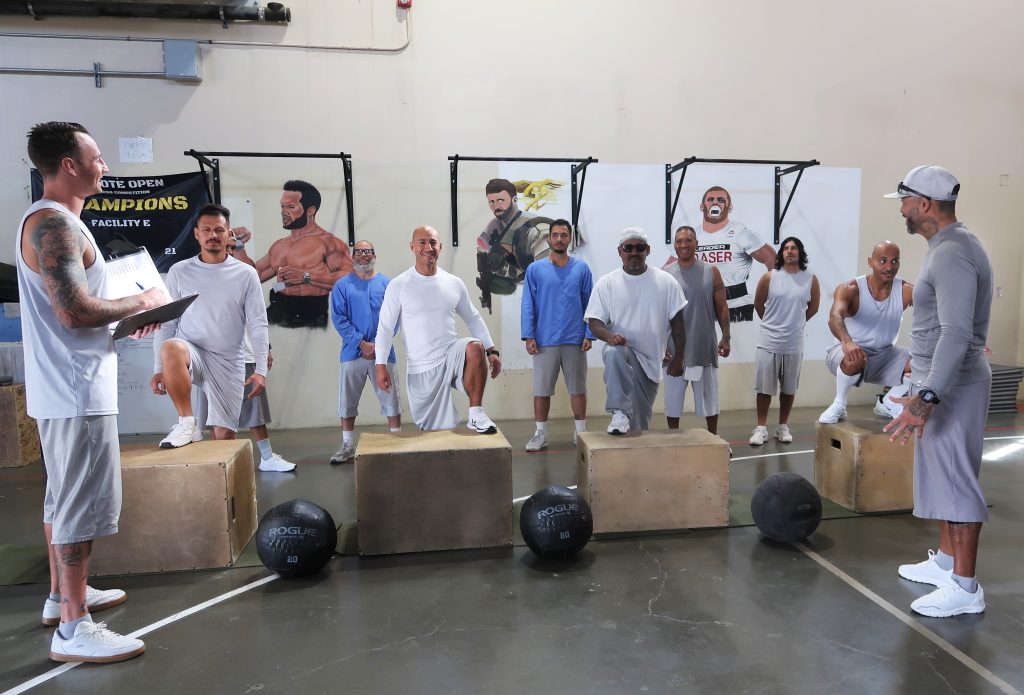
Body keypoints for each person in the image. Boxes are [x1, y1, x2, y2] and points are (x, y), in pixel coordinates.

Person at [17, 121, 167, 663]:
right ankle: (74, 629)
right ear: (70, 166)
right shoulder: (54, 225)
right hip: (76, 391)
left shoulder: (52, 222)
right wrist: (143, 301)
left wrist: (125, 320)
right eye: (97, 157)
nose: (105, 166)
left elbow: (79, 312)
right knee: (79, 503)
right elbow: (74, 311)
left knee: (62, 497)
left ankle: (62, 599)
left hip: (66, 385)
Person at [883, 165, 993, 618]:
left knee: (958, 483)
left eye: (906, 202)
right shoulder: (947, 246)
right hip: (942, 382)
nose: (903, 210)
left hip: (953, 387)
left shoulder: (951, 253)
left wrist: (926, 397)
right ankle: (948, 564)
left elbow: (956, 334)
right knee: (944, 480)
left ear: (925, 205)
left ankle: (965, 587)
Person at [150, 204, 270, 449]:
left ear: (228, 234)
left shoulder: (246, 274)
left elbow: (258, 323)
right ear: (196, 233)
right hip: (192, 351)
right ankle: (186, 422)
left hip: (228, 360)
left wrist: (260, 370)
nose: (213, 235)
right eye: (207, 230)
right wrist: (157, 367)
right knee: (172, 347)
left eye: (219, 230)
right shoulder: (179, 271)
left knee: (224, 438)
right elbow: (167, 322)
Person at [375, 225, 501, 432]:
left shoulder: (453, 283)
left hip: (451, 356)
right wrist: (381, 366)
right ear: (412, 247)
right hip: (422, 368)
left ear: (440, 247)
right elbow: (386, 328)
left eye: (433, 242)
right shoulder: (398, 285)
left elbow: (473, 317)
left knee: (474, 347)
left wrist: (492, 349)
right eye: (422, 242)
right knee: (438, 433)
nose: (428, 247)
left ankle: (476, 414)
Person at [191, 238, 296, 472]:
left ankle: (267, 457)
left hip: (245, 356)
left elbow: (259, 320)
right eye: (225, 247)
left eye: (231, 248)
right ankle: (218, 462)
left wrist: (265, 350)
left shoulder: (245, 277)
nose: (227, 252)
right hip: (212, 358)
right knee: (212, 415)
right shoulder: (201, 281)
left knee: (254, 410)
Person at [585, 228, 686, 434]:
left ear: (647, 250)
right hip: (623, 352)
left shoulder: (666, 282)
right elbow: (594, 321)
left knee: (639, 427)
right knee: (613, 352)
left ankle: (637, 461)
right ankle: (619, 412)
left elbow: (678, 326)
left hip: (651, 361)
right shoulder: (607, 283)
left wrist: (679, 358)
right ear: (620, 251)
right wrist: (609, 336)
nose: (634, 252)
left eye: (639, 247)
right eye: (628, 248)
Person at [231, 180, 352, 328]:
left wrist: (307, 277)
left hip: (311, 314)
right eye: (282, 206)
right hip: (278, 308)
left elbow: (349, 277)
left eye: (291, 206)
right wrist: (239, 245)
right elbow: (254, 275)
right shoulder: (280, 245)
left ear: (310, 210)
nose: (283, 211)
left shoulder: (328, 242)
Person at [818, 241, 913, 424]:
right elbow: (834, 316)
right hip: (847, 353)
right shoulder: (851, 288)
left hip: (886, 355)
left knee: (925, 361)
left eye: (895, 261)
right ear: (870, 262)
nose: (889, 267)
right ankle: (840, 403)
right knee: (855, 356)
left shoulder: (905, 290)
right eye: (883, 260)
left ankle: (889, 402)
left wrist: (963, 339)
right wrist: (846, 341)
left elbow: (936, 309)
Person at [520, 218, 594, 451]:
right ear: (549, 238)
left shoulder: (581, 268)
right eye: (555, 235)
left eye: (564, 235)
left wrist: (589, 334)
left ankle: (581, 433)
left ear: (570, 238)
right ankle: (540, 434)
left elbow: (590, 303)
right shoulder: (535, 269)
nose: (559, 239)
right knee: (541, 391)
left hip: (575, 339)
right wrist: (528, 335)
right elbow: (528, 305)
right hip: (544, 340)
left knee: (578, 389)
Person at [329, 240, 402, 463]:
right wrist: (361, 343)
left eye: (367, 251)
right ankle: (348, 445)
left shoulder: (388, 285)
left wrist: (378, 346)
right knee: (347, 402)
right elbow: (339, 319)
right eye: (359, 251)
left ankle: (396, 443)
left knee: (391, 398)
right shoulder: (342, 286)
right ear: (353, 256)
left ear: (374, 254)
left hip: (383, 354)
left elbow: (395, 318)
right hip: (352, 353)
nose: (363, 255)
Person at [749, 236, 820, 445]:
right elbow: (758, 303)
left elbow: (813, 307)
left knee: (789, 388)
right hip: (768, 340)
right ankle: (761, 428)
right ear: (781, 253)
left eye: (794, 248)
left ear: (800, 253)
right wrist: (772, 324)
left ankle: (782, 427)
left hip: (794, 342)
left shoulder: (810, 279)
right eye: (786, 248)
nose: (790, 251)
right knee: (764, 388)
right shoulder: (770, 277)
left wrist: (796, 324)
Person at [662, 226, 731, 434]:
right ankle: (675, 441)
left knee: (710, 401)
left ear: (696, 243)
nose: (684, 245)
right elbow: (658, 313)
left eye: (688, 240)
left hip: (703, 346)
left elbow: (722, 307)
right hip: (674, 350)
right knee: (673, 402)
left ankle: (714, 439)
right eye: (679, 241)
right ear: (674, 245)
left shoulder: (711, 271)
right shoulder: (665, 274)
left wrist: (726, 337)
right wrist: (660, 345)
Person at [693, 185, 776, 322]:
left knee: (739, 343)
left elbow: (773, 261)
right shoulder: (691, 237)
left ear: (729, 207)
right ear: (702, 206)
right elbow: (669, 270)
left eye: (720, 200)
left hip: (737, 305)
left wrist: (771, 295)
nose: (715, 203)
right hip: (702, 304)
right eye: (710, 200)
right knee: (703, 343)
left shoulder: (742, 234)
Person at [475, 178, 551, 312]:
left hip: (537, 297)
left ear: (514, 200)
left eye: (500, 200)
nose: (496, 206)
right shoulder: (494, 225)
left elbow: (547, 272)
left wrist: (508, 250)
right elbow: (482, 247)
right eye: (491, 202)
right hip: (508, 298)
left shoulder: (532, 224)